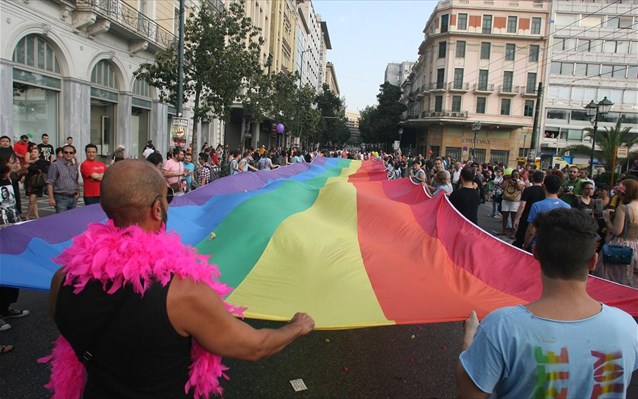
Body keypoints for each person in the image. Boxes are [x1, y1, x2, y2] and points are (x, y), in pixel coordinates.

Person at [44, 160, 314, 398]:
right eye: (167, 196)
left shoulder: (63, 278)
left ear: (104, 207)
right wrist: (296, 327)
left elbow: (66, 326)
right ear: (158, 208)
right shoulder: (183, 294)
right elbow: (254, 347)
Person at [456, 208, 638, 398]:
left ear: (536, 253)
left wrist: (470, 336)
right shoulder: (626, 326)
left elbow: (469, 393)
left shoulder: (502, 327)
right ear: (593, 261)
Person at [0, 147, 30, 334]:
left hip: (11, 232)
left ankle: (6, 308)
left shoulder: (10, 179)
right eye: (13, 159)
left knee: (12, 272)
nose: (17, 161)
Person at [596, 179, 638, 287]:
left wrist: (607, 219)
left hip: (620, 245)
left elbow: (616, 230)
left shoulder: (624, 208)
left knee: (612, 277)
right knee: (630, 279)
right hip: (635, 245)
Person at [522, 174, 571, 251]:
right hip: (558, 246)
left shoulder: (537, 206)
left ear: (544, 186)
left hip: (540, 245)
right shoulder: (567, 207)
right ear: (559, 188)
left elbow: (531, 231)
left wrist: (525, 246)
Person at [46, 144, 79, 213]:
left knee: (72, 220)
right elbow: (50, 182)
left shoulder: (74, 166)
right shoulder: (55, 165)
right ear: (62, 153)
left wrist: (78, 192)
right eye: (66, 152)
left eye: (71, 152)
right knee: (62, 221)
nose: (68, 154)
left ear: (74, 154)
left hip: (73, 197)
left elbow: (76, 180)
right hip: (60, 198)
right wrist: (51, 198)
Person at [25, 146, 49, 220]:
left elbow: (39, 170)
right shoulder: (31, 162)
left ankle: (27, 215)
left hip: (37, 183)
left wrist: (29, 167)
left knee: (32, 200)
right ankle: (36, 216)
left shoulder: (41, 161)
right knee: (33, 201)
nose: (33, 154)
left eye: (35, 152)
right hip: (29, 182)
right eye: (32, 152)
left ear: (39, 154)